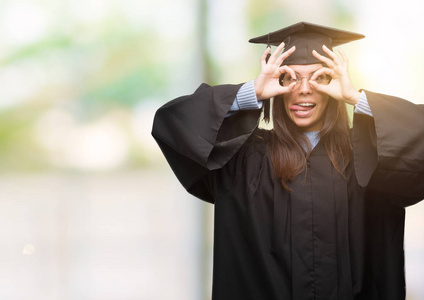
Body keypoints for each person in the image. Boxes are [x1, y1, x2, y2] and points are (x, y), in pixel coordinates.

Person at [151, 22, 424, 300]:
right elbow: (170, 122)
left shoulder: (366, 158)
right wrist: (251, 92)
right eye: (289, 77)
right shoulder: (245, 160)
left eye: (320, 77)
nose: (304, 89)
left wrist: (356, 98)